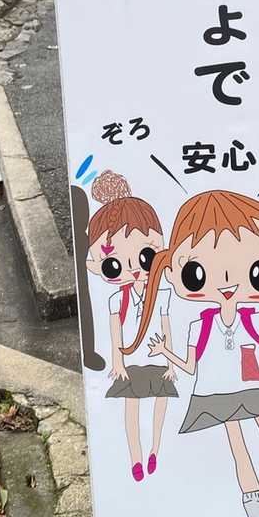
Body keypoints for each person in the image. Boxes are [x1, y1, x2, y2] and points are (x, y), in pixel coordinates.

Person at [126, 189, 259, 517]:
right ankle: (257, 508)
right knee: (240, 450)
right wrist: (166, 352)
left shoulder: (257, 320)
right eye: (196, 273)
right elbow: (190, 367)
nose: (226, 283)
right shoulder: (200, 325)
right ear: (174, 272)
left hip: (253, 391)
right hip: (216, 393)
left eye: (258, 271)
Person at [85, 171, 174, 482]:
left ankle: (155, 450)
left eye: (146, 256)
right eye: (114, 265)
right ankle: (135, 457)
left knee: (160, 404)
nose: (135, 269)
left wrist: (171, 360)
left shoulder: (161, 293)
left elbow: (165, 325)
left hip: (157, 358)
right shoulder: (116, 299)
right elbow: (115, 332)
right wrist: (118, 361)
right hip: (132, 360)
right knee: (132, 408)